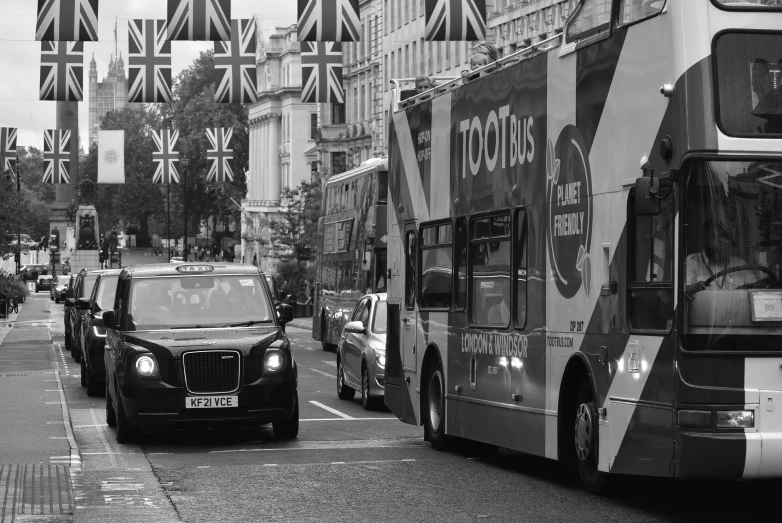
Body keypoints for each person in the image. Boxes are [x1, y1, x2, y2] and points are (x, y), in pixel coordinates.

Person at [685, 220, 759, 298]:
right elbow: (685, 293)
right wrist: (695, 288)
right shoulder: (692, 262)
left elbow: (756, 291)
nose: (719, 241)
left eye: (723, 237)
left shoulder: (740, 264)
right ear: (705, 240)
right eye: (714, 236)